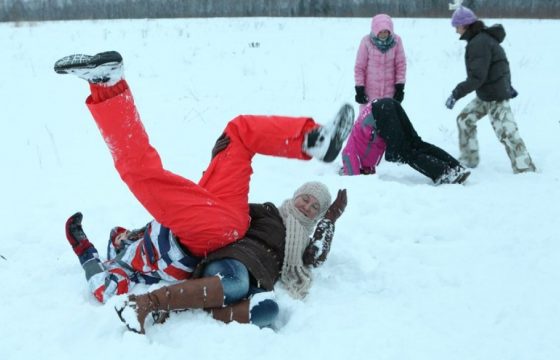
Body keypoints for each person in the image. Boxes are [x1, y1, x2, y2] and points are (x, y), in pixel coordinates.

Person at [55, 51, 353, 329]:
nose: (307, 207)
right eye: (306, 199)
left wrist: (83, 245)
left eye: (315, 208)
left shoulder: (129, 248)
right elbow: (103, 288)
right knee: (143, 173)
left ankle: (313, 140)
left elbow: (313, 255)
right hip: (209, 232)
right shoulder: (125, 268)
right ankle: (107, 85)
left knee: (236, 133)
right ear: (295, 195)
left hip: (214, 218)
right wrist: (84, 250)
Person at [445, 5, 536, 174]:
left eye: (456, 26)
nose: (456, 30)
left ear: (465, 25)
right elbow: (498, 65)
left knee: (507, 133)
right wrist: (507, 84)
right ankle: (469, 159)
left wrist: (455, 94)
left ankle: (525, 169)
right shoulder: (480, 39)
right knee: (465, 119)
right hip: (487, 94)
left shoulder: (479, 43)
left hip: (495, 97)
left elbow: (477, 77)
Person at [340, 98, 470, 184]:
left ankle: (445, 173)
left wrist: (348, 175)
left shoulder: (347, 154)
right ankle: (455, 166)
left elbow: (354, 181)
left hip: (379, 113)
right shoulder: (365, 161)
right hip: (387, 105)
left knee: (404, 152)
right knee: (416, 144)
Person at [354, 13, 407, 108]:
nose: (383, 34)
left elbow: (401, 66)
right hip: (370, 95)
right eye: (380, 31)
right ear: (375, 30)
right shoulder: (366, 42)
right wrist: (359, 89)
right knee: (369, 121)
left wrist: (399, 88)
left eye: (386, 31)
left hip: (390, 94)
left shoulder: (397, 41)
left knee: (388, 120)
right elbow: (360, 67)